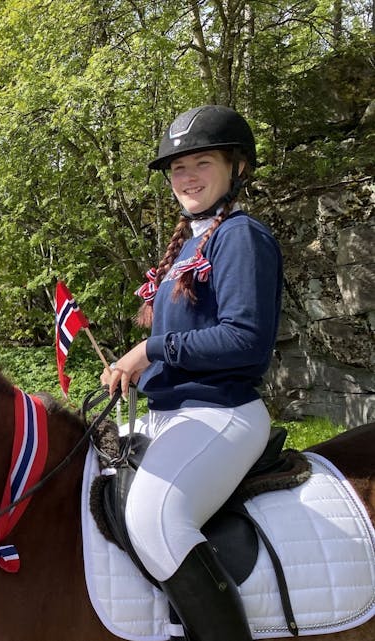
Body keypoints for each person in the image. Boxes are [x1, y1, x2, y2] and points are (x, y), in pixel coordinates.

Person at [99, 105, 281, 641]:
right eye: (178, 168)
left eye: (202, 163)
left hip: (223, 411)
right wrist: (137, 368)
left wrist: (151, 350)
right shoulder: (190, 244)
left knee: (154, 520)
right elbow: (183, 343)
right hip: (172, 413)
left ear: (237, 168)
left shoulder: (241, 236)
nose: (188, 177)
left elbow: (245, 339)